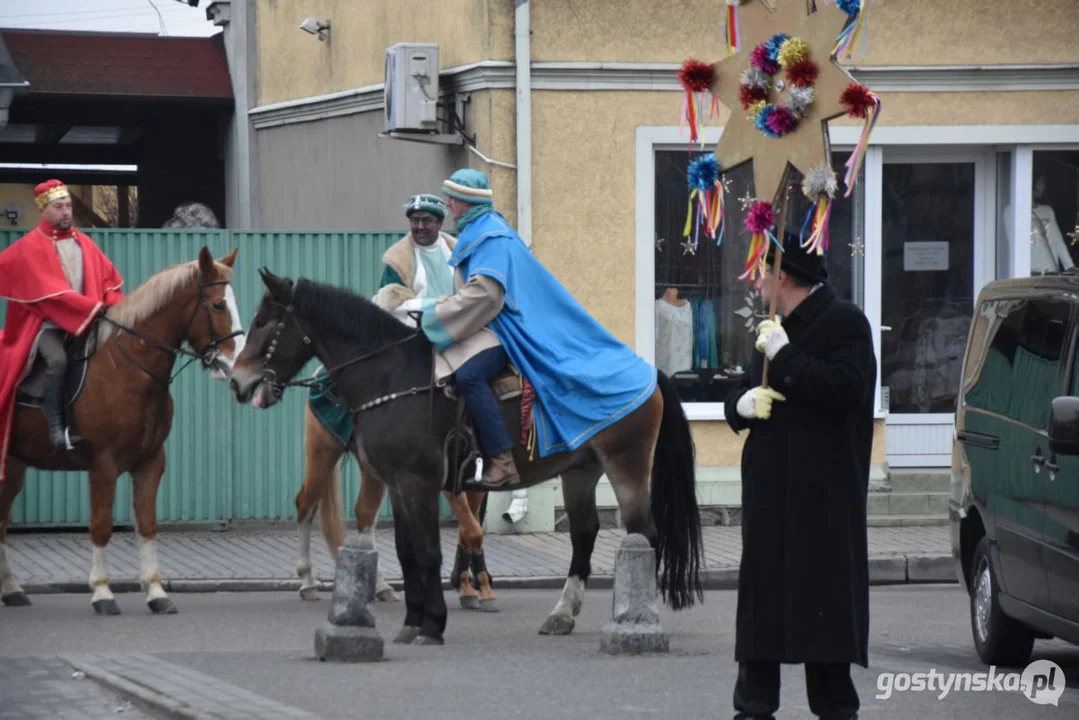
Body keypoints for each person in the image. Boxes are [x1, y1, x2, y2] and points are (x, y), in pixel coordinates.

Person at [420, 168, 657, 489]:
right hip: (493, 324)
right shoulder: (480, 230)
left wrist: (434, 315)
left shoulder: (489, 235)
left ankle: (502, 462)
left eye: (452, 198)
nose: (448, 204)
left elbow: (487, 295)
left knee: (469, 375)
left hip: (508, 329)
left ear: (466, 201)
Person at [723, 233, 876, 720]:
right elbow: (745, 389)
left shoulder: (845, 322)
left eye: (763, 271)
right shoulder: (774, 325)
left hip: (822, 504)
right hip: (771, 502)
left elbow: (847, 391)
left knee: (824, 625)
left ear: (781, 275)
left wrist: (786, 357)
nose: (758, 280)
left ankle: (834, 710)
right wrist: (741, 406)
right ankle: (753, 708)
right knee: (761, 621)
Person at [0, 180, 124, 479]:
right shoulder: (30, 246)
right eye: (59, 207)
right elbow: (50, 292)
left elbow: (109, 280)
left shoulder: (84, 242)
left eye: (68, 205)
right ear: (43, 210)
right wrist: (91, 309)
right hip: (47, 325)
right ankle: (57, 430)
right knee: (57, 361)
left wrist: (113, 306)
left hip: (87, 321)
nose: (66, 211)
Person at [308, 193, 456, 440]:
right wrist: (436, 306)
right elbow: (392, 308)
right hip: (414, 338)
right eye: (415, 220)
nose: (419, 226)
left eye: (426, 220)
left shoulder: (457, 250)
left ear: (440, 223)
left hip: (457, 332)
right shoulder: (397, 260)